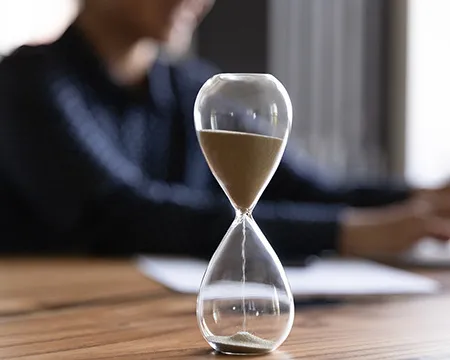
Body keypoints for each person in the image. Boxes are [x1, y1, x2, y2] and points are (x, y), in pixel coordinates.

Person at [0, 0, 449, 258]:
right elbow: (120, 215)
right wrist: (349, 233)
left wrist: (420, 201)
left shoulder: (193, 89)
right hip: (59, 319)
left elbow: (302, 187)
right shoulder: (27, 82)